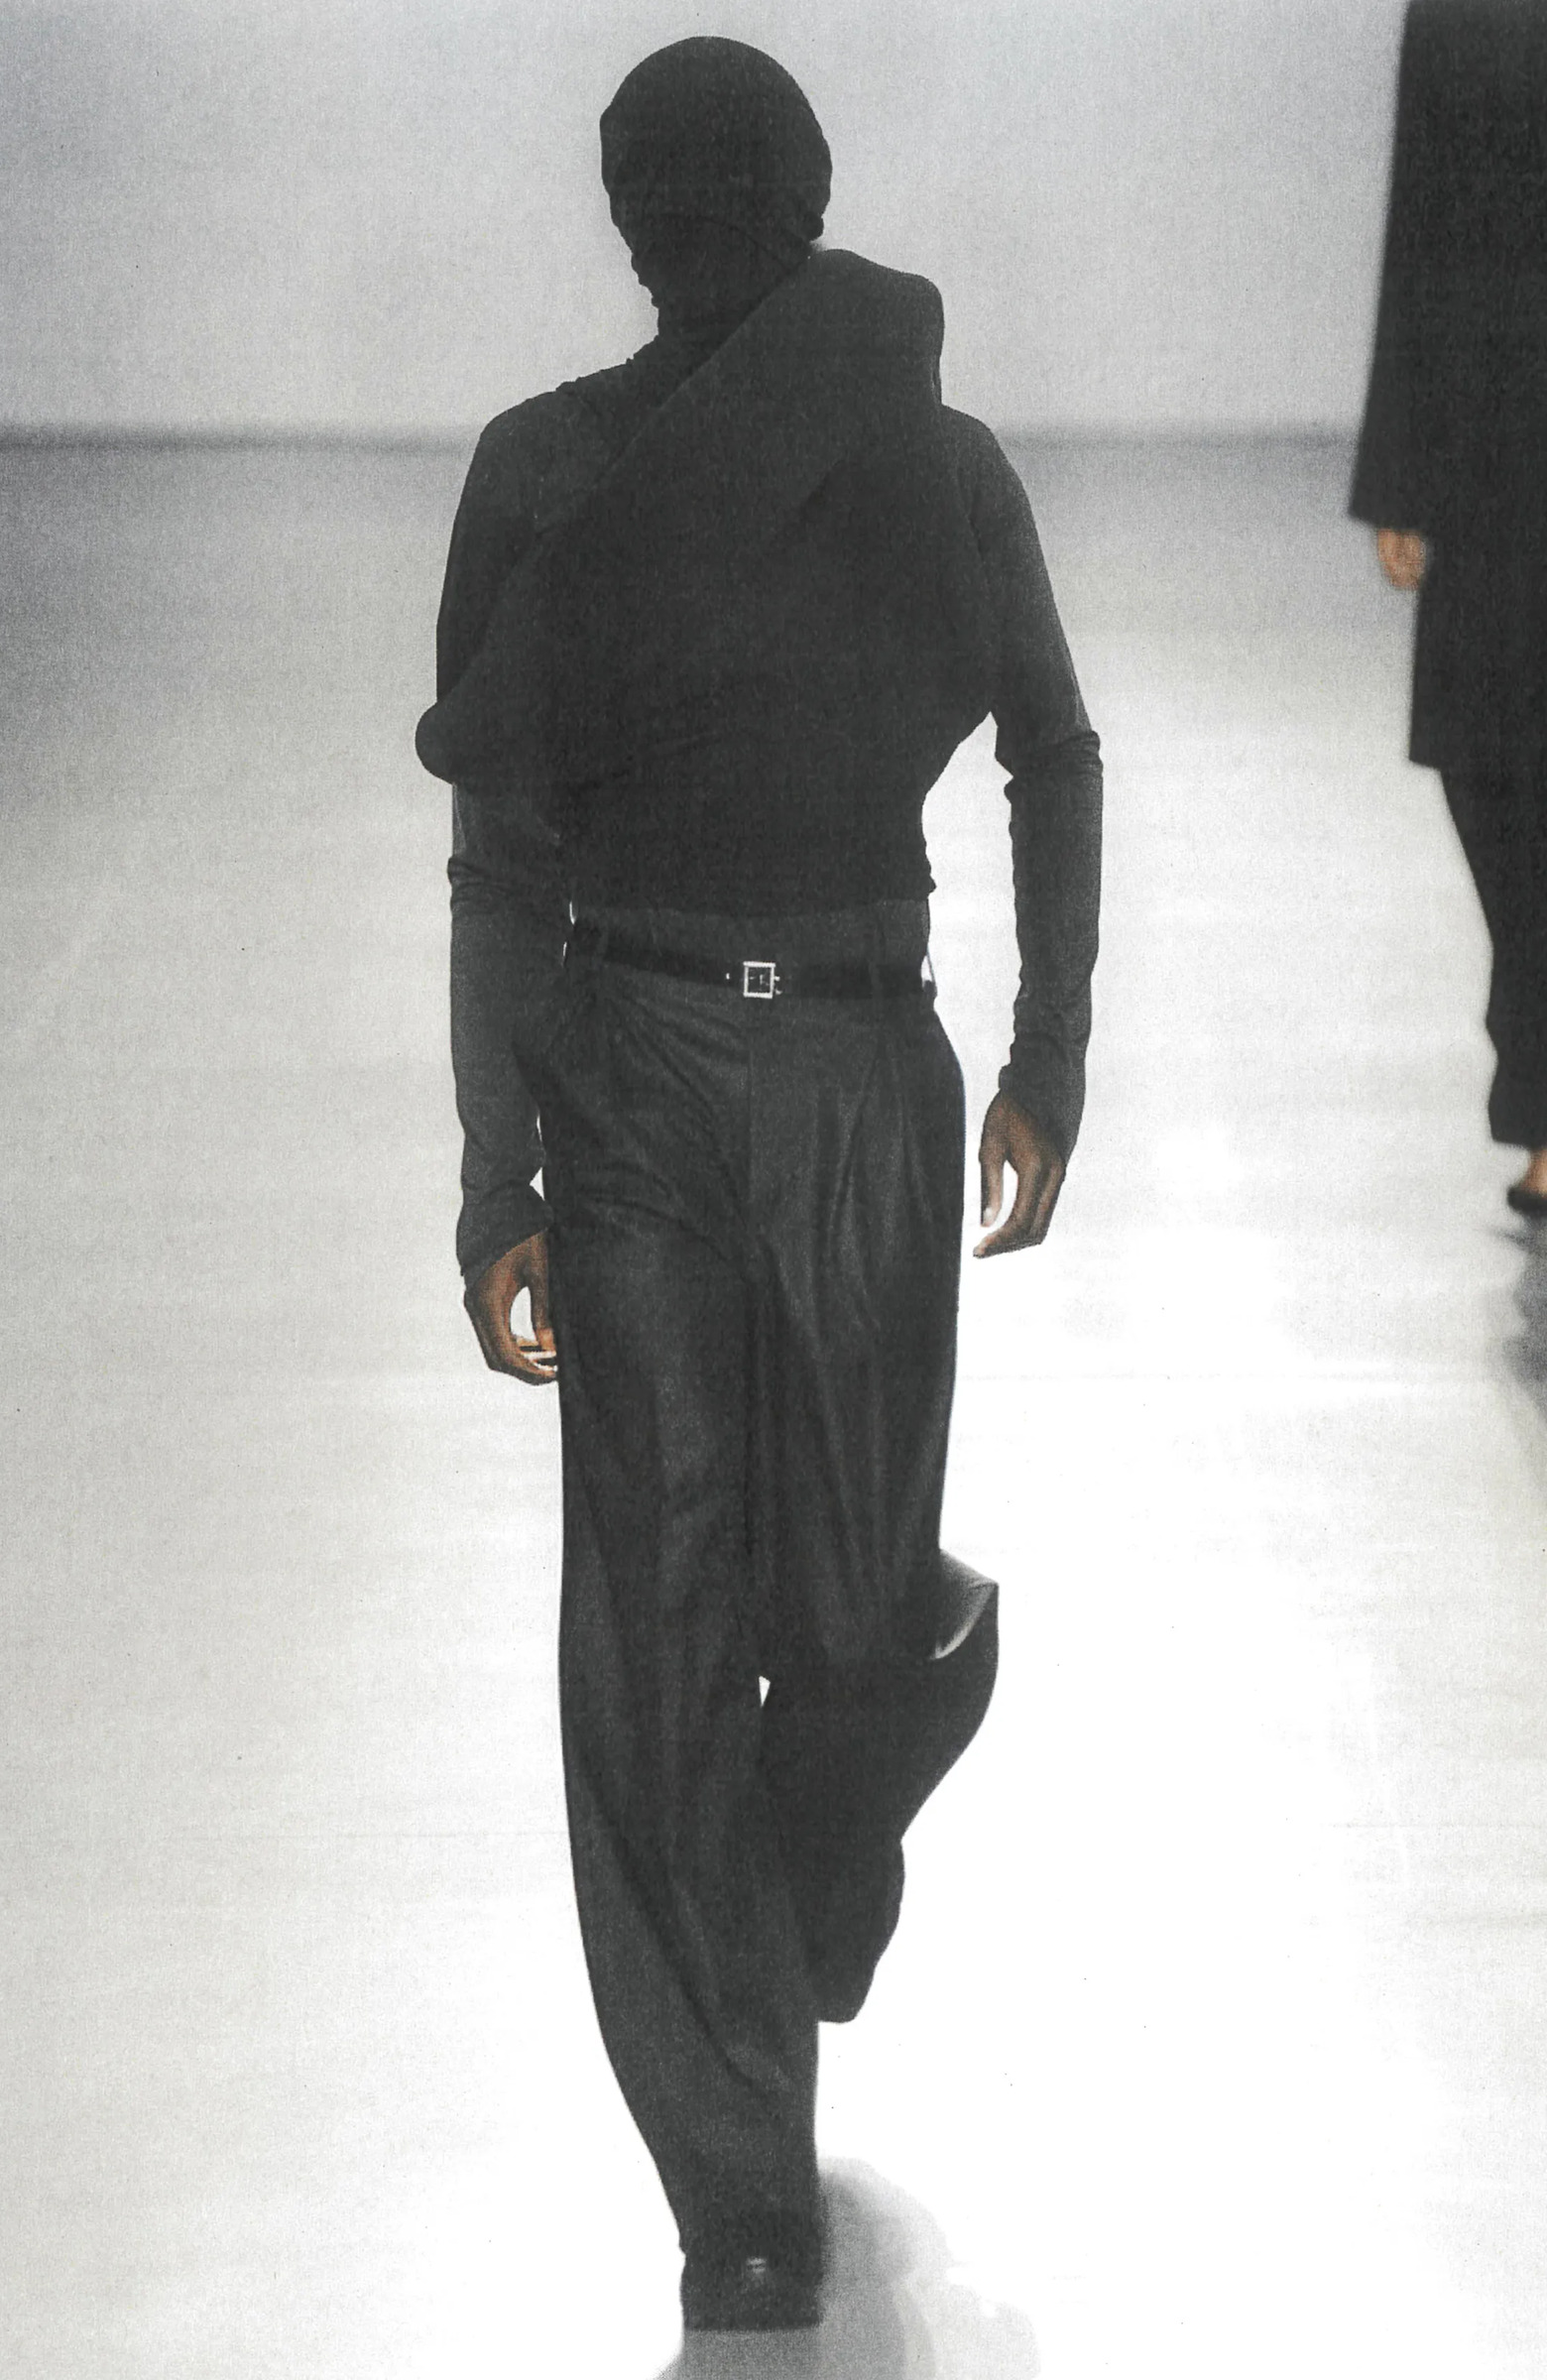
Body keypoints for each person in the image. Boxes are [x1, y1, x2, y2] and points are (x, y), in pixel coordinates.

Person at [416, 38, 1102, 2333]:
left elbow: (1046, 740)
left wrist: (1048, 1053)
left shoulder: (903, 466)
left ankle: (827, 1823)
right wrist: (499, 1170)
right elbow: (502, 852)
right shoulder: (554, 468)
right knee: (658, 1616)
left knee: (845, 1603)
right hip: (666, 1073)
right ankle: (737, 2178)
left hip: (830, 1062)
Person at [1352, 0, 1547, 1215]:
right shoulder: (1461, 14)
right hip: (1492, 442)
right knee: (1496, 771)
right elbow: (1421, 220)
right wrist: (1400, 472)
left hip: (1486, 434)